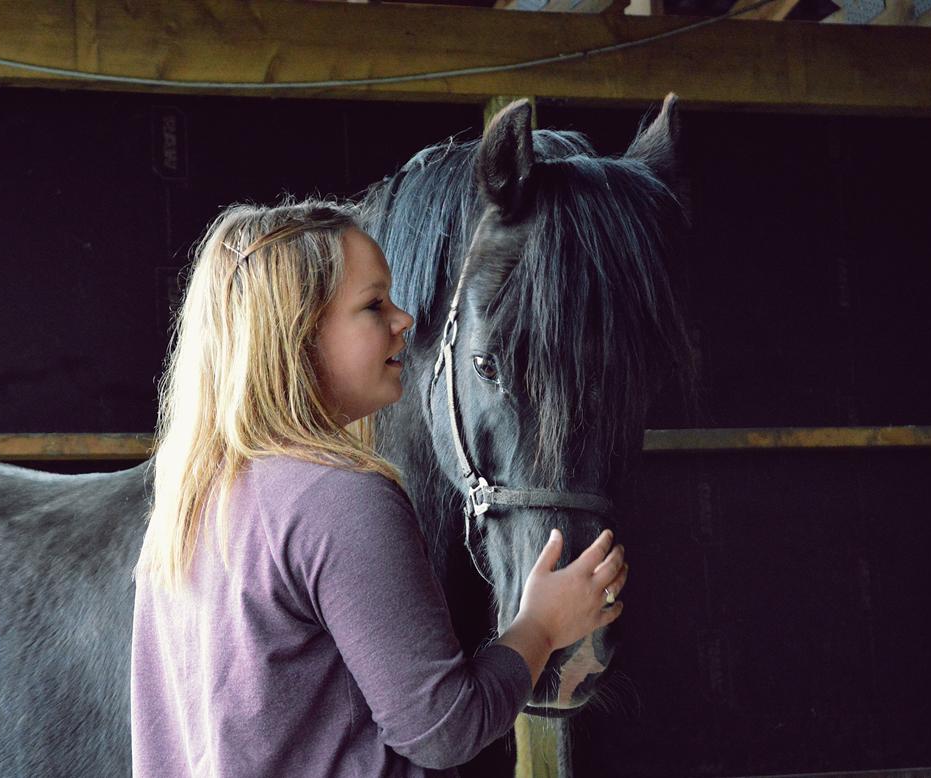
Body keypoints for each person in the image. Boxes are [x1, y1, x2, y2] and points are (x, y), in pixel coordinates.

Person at [130, 199, 628, 777]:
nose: (405, 320)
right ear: (297, 334)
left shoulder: (194, 500)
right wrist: (541, 626)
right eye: (373, 305)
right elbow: (444, 731)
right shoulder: (339, 499)